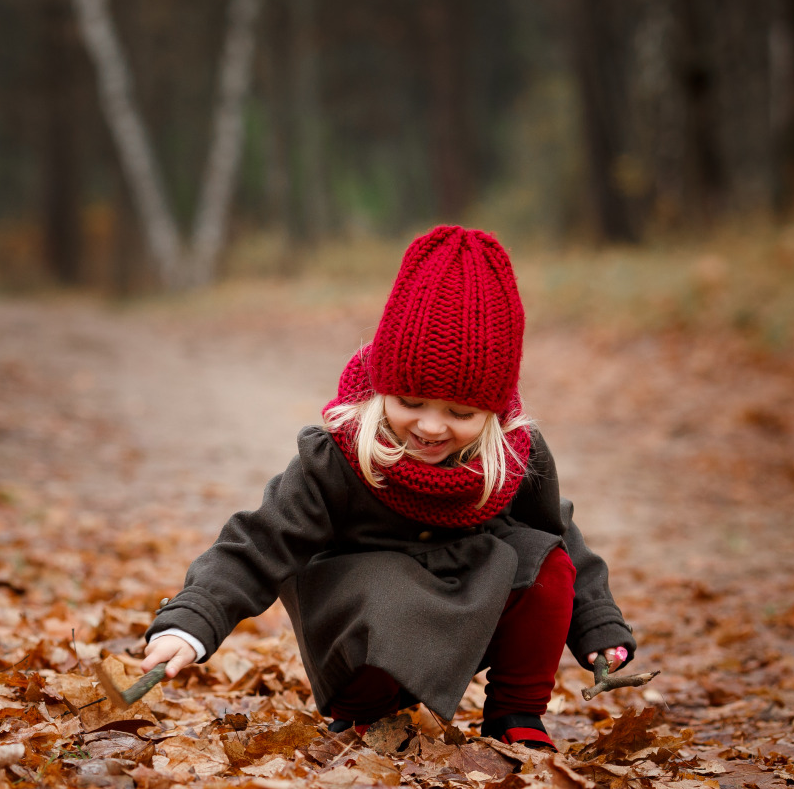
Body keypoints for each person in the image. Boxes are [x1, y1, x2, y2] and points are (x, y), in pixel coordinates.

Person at [140, 225, 635, 749]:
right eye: (411, 402)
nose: (431, 427)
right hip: (362, 624)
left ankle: (516, 714)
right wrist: (193, 620)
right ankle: (368, 716)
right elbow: (261, 541)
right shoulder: (340, 452)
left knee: (544, 561)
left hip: (461, 601)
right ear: (382, 385)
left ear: (492, 410)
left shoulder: (513, 454)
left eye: (461, 413)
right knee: (386, 590)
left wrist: (598, 624)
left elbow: (559, 536)